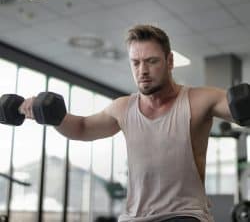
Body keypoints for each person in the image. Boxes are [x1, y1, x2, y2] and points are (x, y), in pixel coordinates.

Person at [20, 25, 235, 222]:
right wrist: (50, 115)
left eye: (151, 61)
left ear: (169, 61)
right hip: (134, 217)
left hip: (184, 215)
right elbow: (82, 127)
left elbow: (235, 106)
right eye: (136, 62)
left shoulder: (198, 100)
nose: (142, 70)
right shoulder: (123, 108)